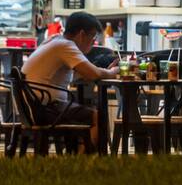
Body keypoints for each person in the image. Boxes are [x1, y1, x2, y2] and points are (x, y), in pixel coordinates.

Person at [21, 11, 119, 151]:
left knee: (82, 113)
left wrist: (101, 73)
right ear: (81, 35)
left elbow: (74, 75)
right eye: (92, 36)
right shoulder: (66, 46)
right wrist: (112, 73)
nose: (93, 42)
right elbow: (93, 74)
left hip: (32, 106)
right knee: (98, 117)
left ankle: (78, 157)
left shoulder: (54, 40)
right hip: (44, 108)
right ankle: (87, 164)